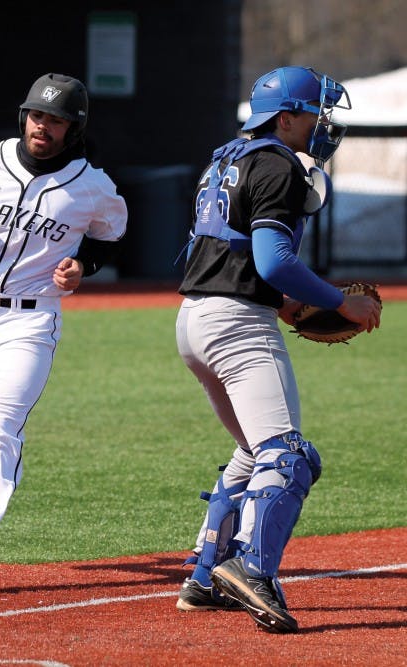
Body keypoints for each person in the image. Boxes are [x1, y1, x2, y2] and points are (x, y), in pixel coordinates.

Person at [173, 66, 381, 633]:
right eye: (315, 114)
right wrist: (339, 302)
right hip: (237, 324)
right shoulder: (279, 164)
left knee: (252, 450)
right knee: (289, 457)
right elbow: (274, 261)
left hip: (195, 319)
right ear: (285, 118)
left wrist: (285, 304)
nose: (323, 126)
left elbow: (224, 251)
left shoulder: (227, 158)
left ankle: (204, 576)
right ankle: (252, 570)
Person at [0, 73, 128, 582]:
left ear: (74, 128)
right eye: (38, 115)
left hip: (31, 320)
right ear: (24, 117)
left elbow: (109, 235)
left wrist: (85, 266)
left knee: (0, 429)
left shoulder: (92, 185)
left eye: (56, 120)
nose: (43, 126)